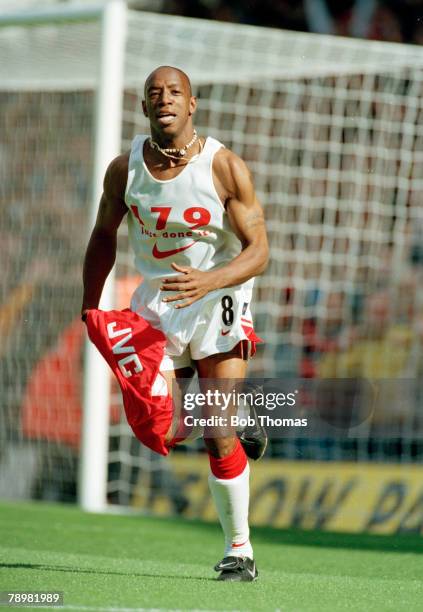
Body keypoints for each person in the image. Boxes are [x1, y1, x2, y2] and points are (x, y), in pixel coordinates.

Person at [81, 65, 269, 582]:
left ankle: (240, 550)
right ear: (143, 109)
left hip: (218, 301)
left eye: (174, 92)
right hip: (157, 306)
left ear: (192, 105)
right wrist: (89, 303)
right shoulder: (125, 170)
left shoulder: (224, 167)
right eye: (153, 94)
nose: (164, 99)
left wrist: (210, 283)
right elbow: (103, 234)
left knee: (217, 430)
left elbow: (260, 252)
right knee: (162, 429)